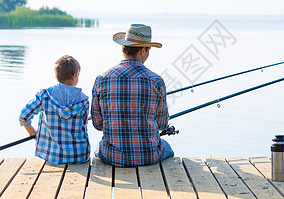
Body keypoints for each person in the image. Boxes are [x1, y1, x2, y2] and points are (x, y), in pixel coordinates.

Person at [91, 24, 174, 167]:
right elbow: (162, 124)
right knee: (167, 147)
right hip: (149, 156)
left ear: (124, 48)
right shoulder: (156, 81)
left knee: (99, 148)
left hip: (112, 157)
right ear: (143, 50)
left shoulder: (101, 79)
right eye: (149, 50)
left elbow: (98, 125)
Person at [19, 55, 90, 164]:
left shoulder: (44, 96)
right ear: (74, 76)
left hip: (51, 156)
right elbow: (83, 126)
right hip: (78, 156)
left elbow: (24, 116)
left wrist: (32, 132)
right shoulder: (84, 100)